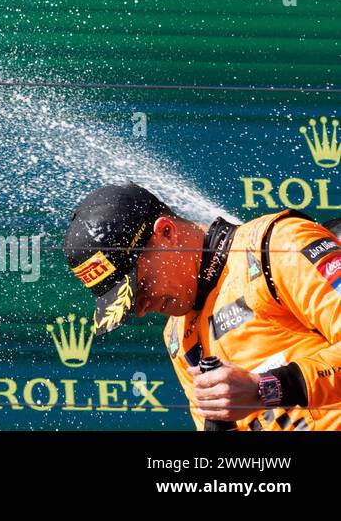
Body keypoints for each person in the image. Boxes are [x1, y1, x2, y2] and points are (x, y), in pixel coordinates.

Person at [64, 182, 341, 430]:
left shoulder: (277, 245)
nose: (142, 308)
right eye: (131, 303)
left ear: (166, 232)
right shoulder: (176, 337)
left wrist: (265, 388)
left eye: (142, 286)